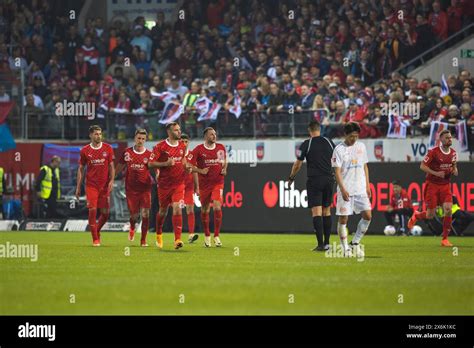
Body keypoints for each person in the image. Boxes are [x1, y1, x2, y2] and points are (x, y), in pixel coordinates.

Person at [287, 120, 335, 251]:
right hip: (329, 179)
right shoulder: (329, 142)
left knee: (317, 212)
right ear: (319, 129)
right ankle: (327, 243)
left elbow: (298, 163)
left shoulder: (306, 144)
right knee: (327, 211)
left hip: (315, 180)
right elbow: (337, 160)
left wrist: (291, 177)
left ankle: (320, 245)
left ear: (309, 131)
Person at [408, 130, 458, 247]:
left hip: (445, 185)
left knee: (448, 209)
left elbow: (455, 167)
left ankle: (445, 239)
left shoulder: (454, 153)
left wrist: (455, 170)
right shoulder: (433, 152)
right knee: (430, 214)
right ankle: (416, 215)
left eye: (450, 138)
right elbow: (422, 166)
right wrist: (436, 173)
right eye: (447, 138)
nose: (449, 140)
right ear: (441, 140)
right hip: (432, 185)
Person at [332, 122, 372, 257]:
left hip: (360, 188)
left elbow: (365, 166)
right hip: (346, 188)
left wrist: (367, 185)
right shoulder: (338, 149)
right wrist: (342, 189)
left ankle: (354, 243)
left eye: (356, 136)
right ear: (345, 135)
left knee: (368, 216)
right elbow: (336, 172)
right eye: (351, 136)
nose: (354, 139)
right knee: (343, 219)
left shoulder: (361, 146)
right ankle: (345, 249)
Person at [148, 122, 190, 250]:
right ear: (169, 132)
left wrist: (186, 167)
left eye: (179, 129)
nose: (179, 132)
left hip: (179, 184)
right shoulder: (160, 147)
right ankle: (159, 234)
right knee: (163, 211)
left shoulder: (182, 146)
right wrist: (165, 163)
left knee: (177, 208)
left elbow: (183, 160)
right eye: (176, 130)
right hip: (164, 185)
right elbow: (150, 164)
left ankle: (177, 239)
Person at [76, 125, 115, 246]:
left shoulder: (108, 148)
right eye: (96, 134)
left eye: (100, 134)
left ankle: (97, 229)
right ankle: (95, 239)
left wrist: (112, 180)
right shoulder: (85, 150)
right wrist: (78, 187)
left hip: (104, 186)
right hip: (91, 185)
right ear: (91, 135)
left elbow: (111, 166)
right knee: (92, 210)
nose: (99, 136)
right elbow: (81, 169)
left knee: (105, 213)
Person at [115, 129, 154, 247]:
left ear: (145, 140)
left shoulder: (149, 154)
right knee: (134, 215)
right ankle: (132, 226)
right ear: (134, 138)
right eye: (139, 138)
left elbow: (154, 169)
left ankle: (143, 240)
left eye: (143, 139)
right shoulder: (127, 152)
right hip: (131, 189)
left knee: (146, 214)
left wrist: (158, 175)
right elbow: (120, 167)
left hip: (145, 188)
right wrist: (111, 179)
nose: (140, 141)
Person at [192, 127, 227, 247]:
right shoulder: (198, 150)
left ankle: (216, 236)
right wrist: (200, 170)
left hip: (218, 182)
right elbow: (188, 166)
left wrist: (224, 169)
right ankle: (207, 235)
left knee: (217, 206)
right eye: (212, 134)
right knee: (205, 210)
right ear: (206, 136)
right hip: (204, 184)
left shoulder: (220, 147)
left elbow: (224, 161)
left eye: (215, 134)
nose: (214, 136)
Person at [180, 134, 200, 244]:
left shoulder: (192, 155)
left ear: (188, 142)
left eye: (186, 141)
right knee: (176, 210)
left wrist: (197, 187)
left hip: (189, 186)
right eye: (182, 141)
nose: (184, 143)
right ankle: (176, 235)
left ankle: (191, 235)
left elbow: (195, 171)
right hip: (177, 186)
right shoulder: (175, 154)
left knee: (190, 209)